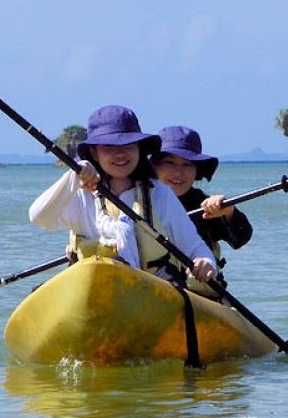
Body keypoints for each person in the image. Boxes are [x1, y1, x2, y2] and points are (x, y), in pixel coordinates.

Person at [29, 105, 217, 284]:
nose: (120, 154)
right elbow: (39, 217)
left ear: (139, 149)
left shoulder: (160, 194)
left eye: (128, 146)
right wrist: (73, 176)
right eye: (109, 147)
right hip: (97, 291)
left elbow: (196, 248)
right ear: (94, 153)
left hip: (149, 295)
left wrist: (205, 263)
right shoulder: (80, 194)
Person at [151, 125, 253, 292]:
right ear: (154, 166)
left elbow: (240, 238)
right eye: (169, 163)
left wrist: (228, 212)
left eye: (187, 164)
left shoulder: (204, 205)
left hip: (200, 296)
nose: (178, 173)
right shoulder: (138, 199)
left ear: (197, 169)